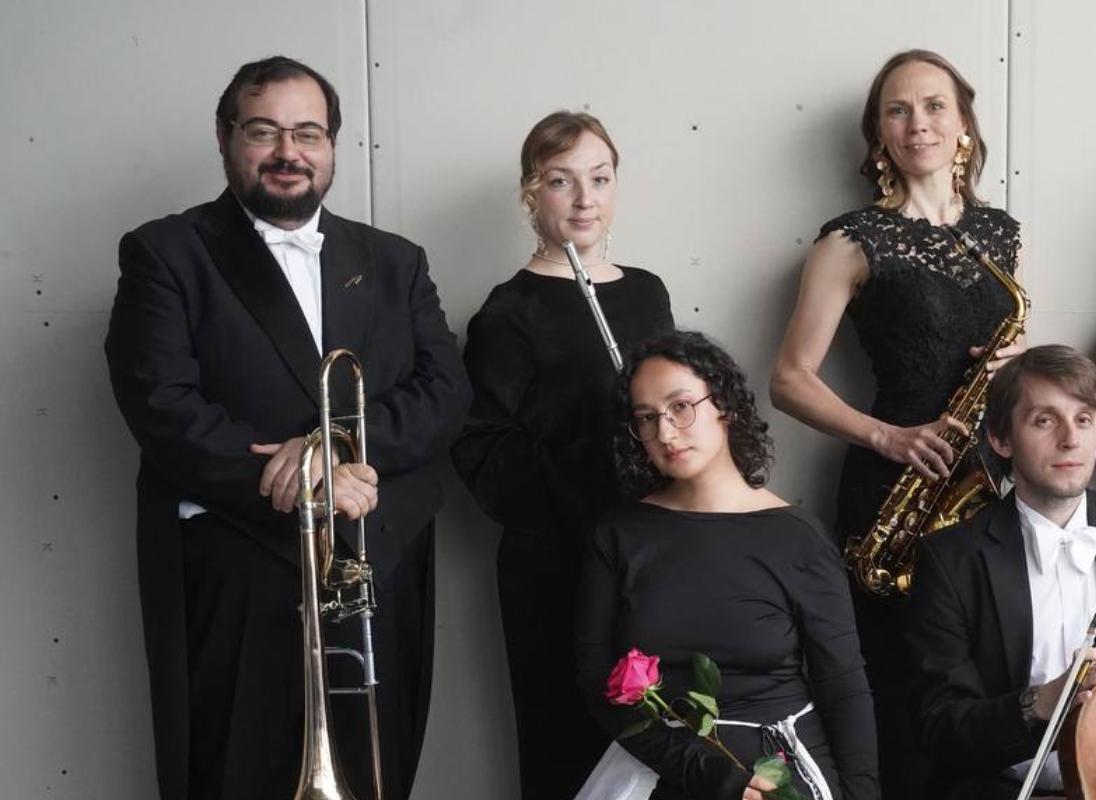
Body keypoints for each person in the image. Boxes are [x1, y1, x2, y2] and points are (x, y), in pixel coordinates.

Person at [103, 55, 469, 799]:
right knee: (237, 770)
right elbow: (161, 403)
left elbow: (445, 392)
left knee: (378, 770)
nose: (288, 152)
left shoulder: (395, 260)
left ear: (332, 144)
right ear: (225, 138)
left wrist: (332, 453)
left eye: (308, 133)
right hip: (241, 559)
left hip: (378, 556)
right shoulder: (167, 252)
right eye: (263, 131)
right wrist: (302, 479)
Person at [769, 49, 1024, 796]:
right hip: (895, 481)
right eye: (898, 110)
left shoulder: (999, 235)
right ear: (879, 133)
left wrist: (1018, 368)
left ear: (964, 123)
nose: (919, 124)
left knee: (983, 668)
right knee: (896, 677)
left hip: (984, 474)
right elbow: (788, 379)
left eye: (935, 106)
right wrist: (887, 437)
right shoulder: (852, 239)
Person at [452, 110, 675, 798]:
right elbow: (485, 462)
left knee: (669, 747)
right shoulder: (506, 313)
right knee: (569, 752)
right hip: (559, 569)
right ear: (532, 192)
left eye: (599, 179)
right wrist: (604, 444)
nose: (585, 200)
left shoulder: (647, 291)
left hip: (655, 553)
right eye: (561, 181)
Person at [575, 331, 879, 800]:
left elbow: (844, 689)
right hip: (665, 771)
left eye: (680, 407)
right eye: (646, 418)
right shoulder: (618, 536)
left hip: (782, 775)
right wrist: (707, 773)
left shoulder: (798, 537)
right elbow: (597, 679)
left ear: (725, 405)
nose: (665, 433)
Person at [905, 345, 1096, 798]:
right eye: (1045, 421)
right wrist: (1039, 704)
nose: (1070, 439)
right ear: (1000, 439)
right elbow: (940, 727)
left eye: (1084, 419)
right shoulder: (950, 560)